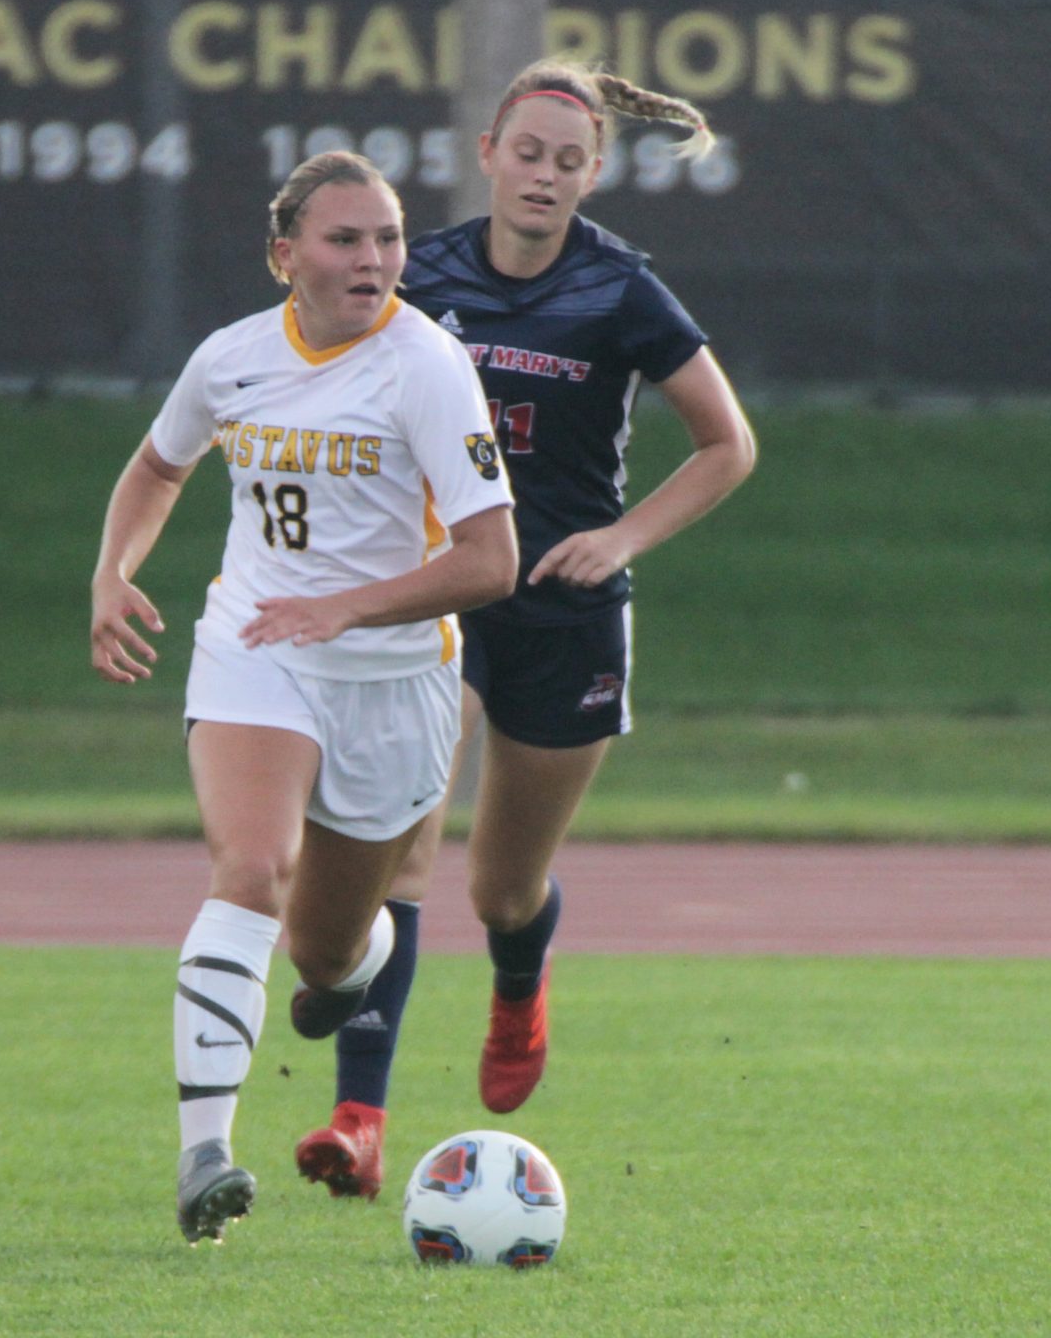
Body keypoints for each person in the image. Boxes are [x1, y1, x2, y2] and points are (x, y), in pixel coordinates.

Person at [292, 60, 757, 1202]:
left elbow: (726, 445)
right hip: (441, 604)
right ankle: (359, 1119)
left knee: (500, 887)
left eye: (568, 160)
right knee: (404, 844)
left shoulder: (622, 292)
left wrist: (623, 539)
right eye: (527, 152)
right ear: (488, 153)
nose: (544, 174)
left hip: (566, 617)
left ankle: (517, 978)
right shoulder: (421, 273)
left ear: (592, 174)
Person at [88, 150, 518, 1246]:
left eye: (386, 237)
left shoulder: (426, 366)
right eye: (344, 239)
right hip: (257, 650)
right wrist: (113, 570)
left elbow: (491, 560)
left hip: (393, 685)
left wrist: (353, 608)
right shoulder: (231, 358)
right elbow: (157, 467)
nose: (372, 259)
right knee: (249, 868)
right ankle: (203, 1158)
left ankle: (356, 962)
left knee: (326, 953)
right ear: (285, 256)